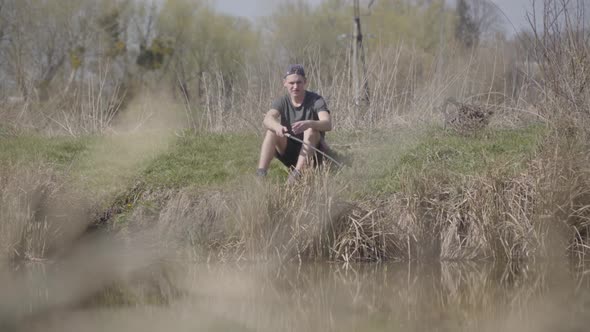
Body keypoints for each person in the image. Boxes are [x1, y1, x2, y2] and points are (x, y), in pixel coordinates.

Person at [256, 64, 332, 182]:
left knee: (310, 130)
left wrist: (309, 123)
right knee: (271, 131)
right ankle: (261, 175)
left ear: (305, 82)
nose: (295, 86)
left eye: (299, 82)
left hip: (313, 154)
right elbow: (268, 118)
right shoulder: (282, 101)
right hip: (290, 152)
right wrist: (277, 126)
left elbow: (327, 124)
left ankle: (297, 174)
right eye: (291, 83)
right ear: (285, 83)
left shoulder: (316, 100)